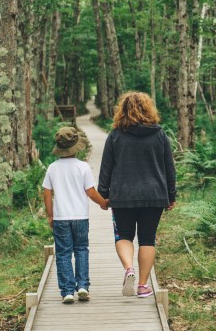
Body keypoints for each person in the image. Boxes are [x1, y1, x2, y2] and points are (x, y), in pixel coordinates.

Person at [98, 92, 176, 298]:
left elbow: (106, 168)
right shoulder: (160, 135)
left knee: (124, 235)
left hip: (123, 196)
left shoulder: (115, 135)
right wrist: (171, 195)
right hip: (154, 196)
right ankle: (142, 285)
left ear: (121, 110)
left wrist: (103, 195)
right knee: (147, 240)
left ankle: (128, 269)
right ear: (149, 109)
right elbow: (169, 168)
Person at [42, 126, 109, 304]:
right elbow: (91, 191)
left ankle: (67, 291)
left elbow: (47, 193)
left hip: (61, 218)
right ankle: (83, 287)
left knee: (63, 253)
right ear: (76, 147)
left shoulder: (52, 168)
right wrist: (103, 203)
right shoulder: (83, 167)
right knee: (81, 250)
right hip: (80, 217)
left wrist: (50, 215)